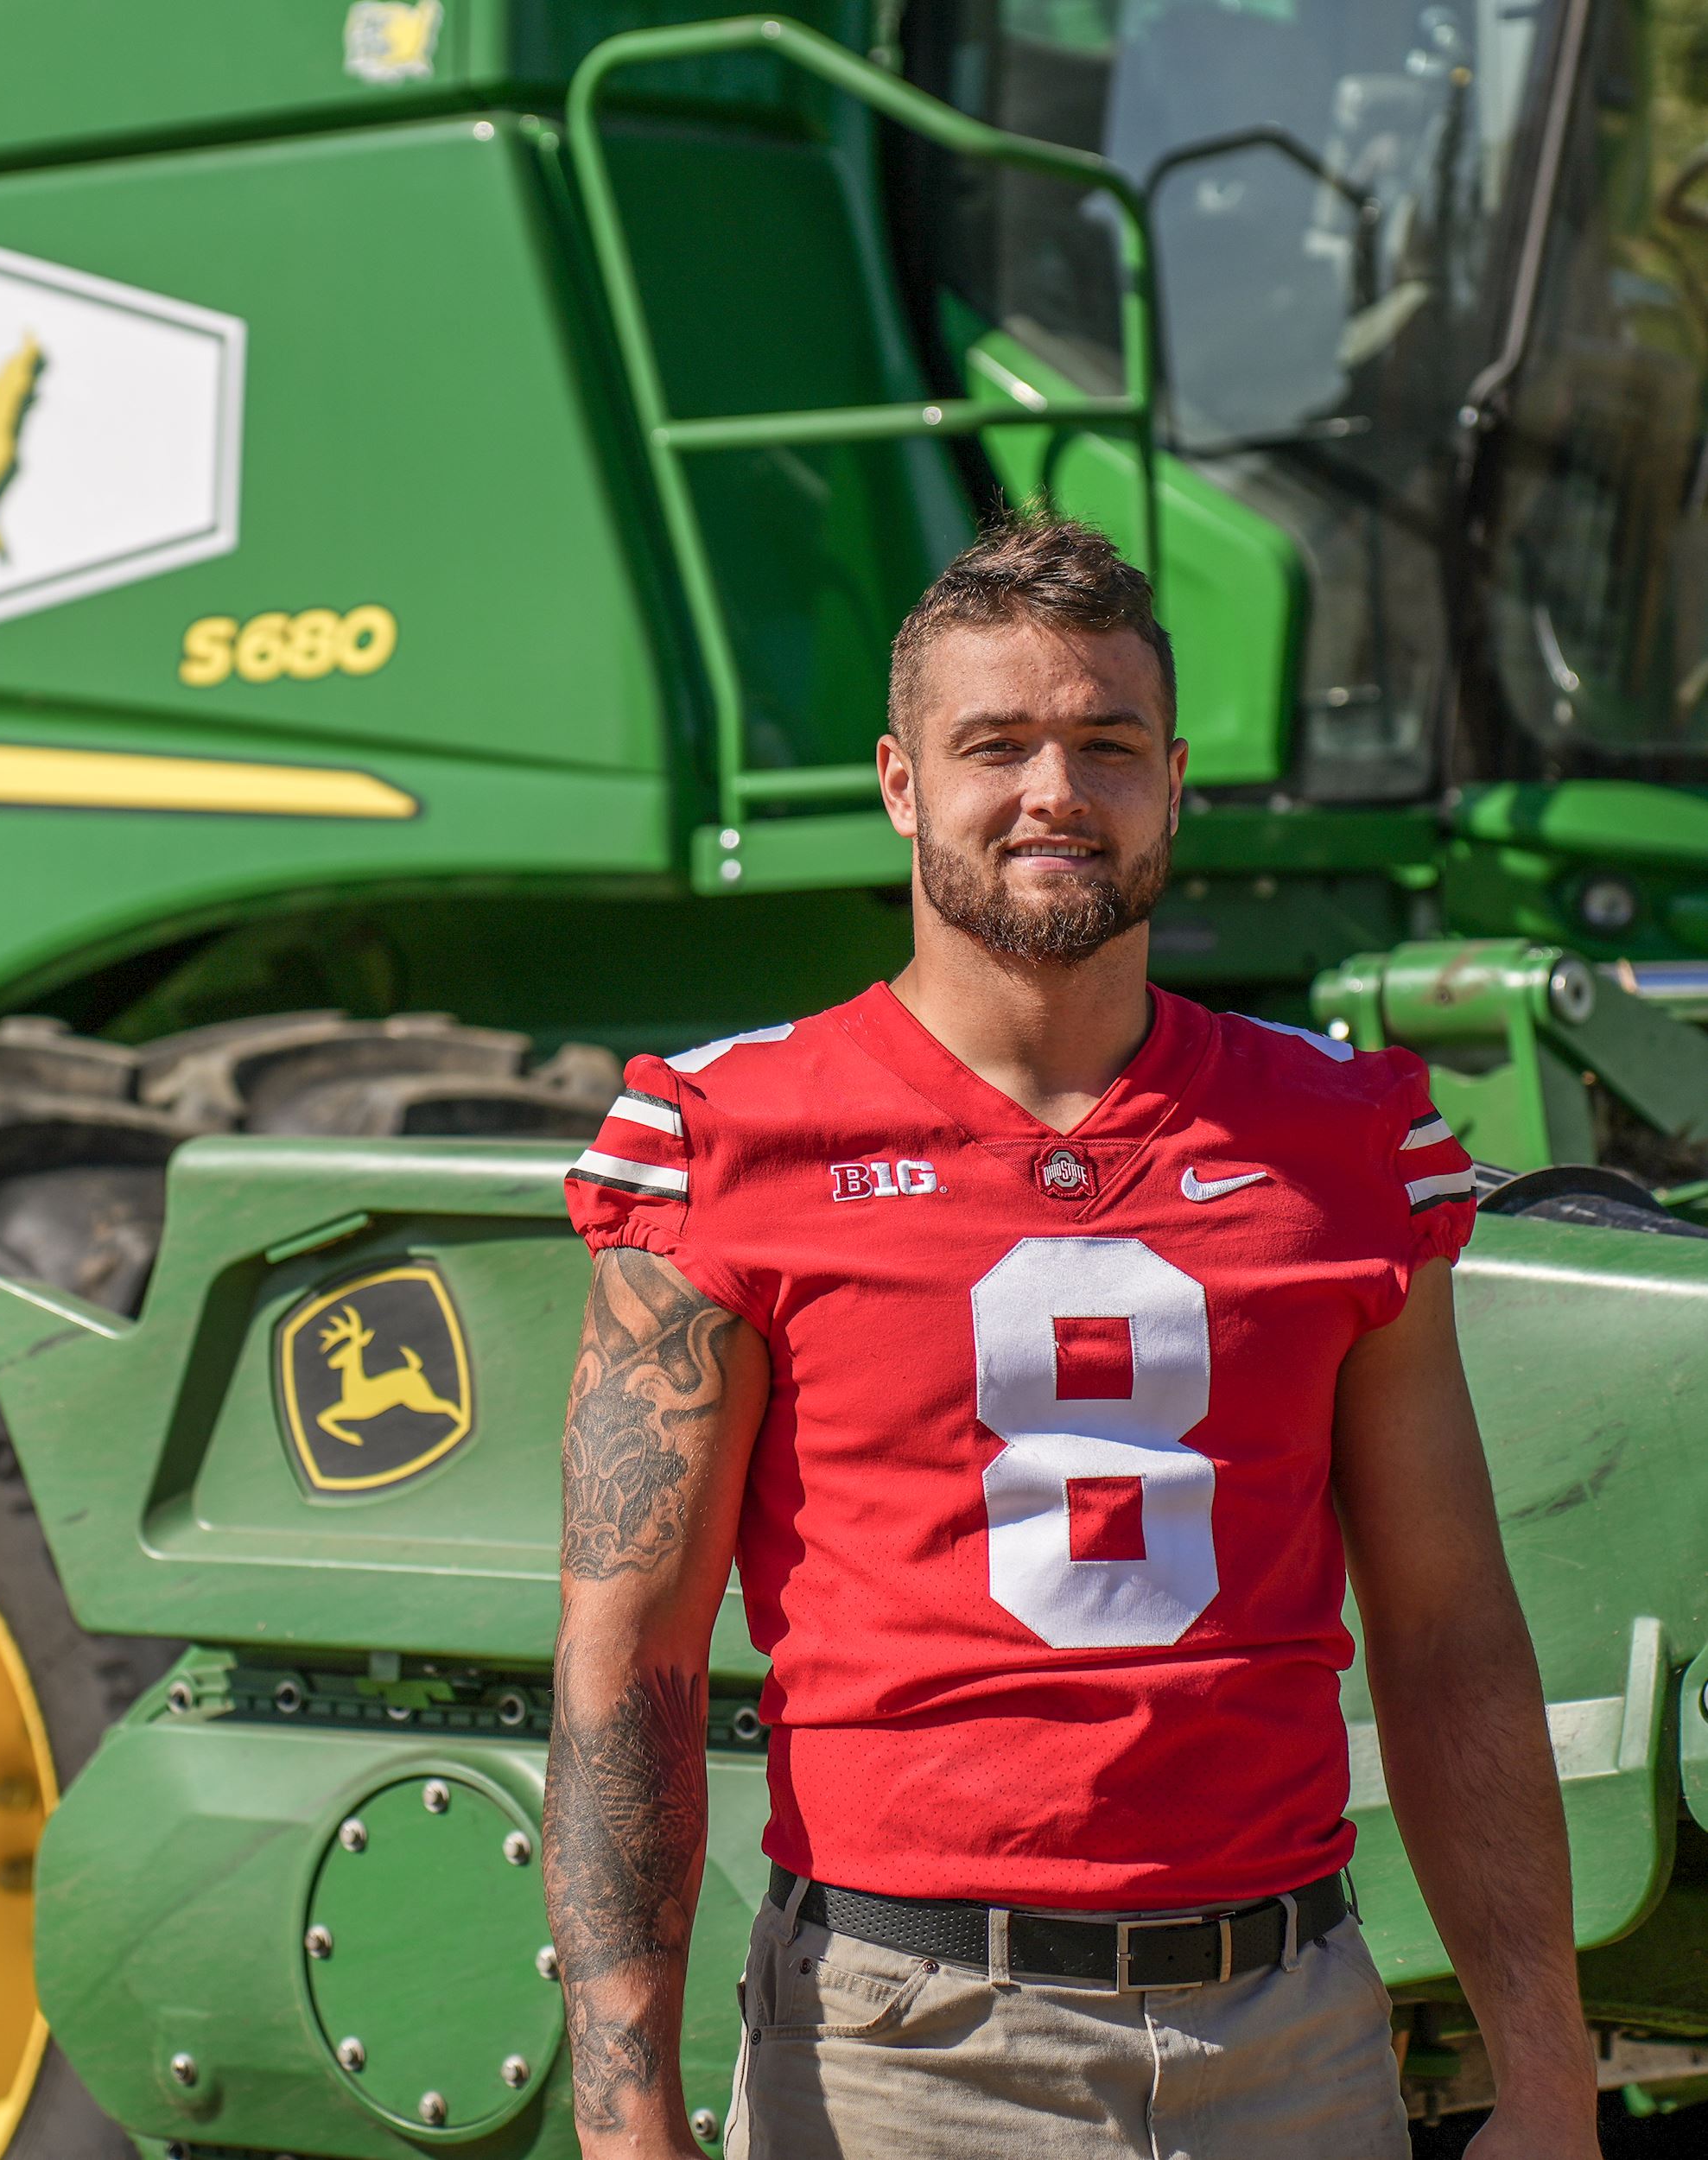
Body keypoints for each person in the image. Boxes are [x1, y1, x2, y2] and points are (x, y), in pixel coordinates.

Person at [542, 518, 1597, 2159]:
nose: (1056, 791)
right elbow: (632, 1663)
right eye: (997, 745)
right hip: (906, 2051)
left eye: (1106, 745)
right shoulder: (727, 1140)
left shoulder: (1342, 1140)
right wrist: (625, 2125)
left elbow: (1452, 1628)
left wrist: (1547, 2074)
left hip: (1296, 2029)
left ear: (1172, 782)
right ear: (901, 782)